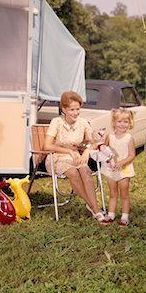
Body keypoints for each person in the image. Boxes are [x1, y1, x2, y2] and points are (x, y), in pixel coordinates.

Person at [44, 91, 105, 223]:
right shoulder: (56, 122)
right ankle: (95, 207)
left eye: (78, 109)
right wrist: (69, 152)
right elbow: (47, 146)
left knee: (85, 171)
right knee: (73, 173)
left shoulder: (82, 123)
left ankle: (93, 207)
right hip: (57, 158)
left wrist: (88, 151)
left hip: (77, 157)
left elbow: (93, 142)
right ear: (64, 109)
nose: (76, 113)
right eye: (72, 109)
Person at [100, 108, 136, 227]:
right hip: (110, 169)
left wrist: (122, 162)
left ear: (130, 123)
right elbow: (103, 150)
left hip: (123, 170)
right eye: (119, 121)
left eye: (125, 122)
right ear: (114, 123)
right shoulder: (109, 136)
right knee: (112, 192)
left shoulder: (129, 138)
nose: (122, 124)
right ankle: (111, 214)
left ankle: (125, 217)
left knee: (124, 193)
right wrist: (101, 143)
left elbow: (132, 155)